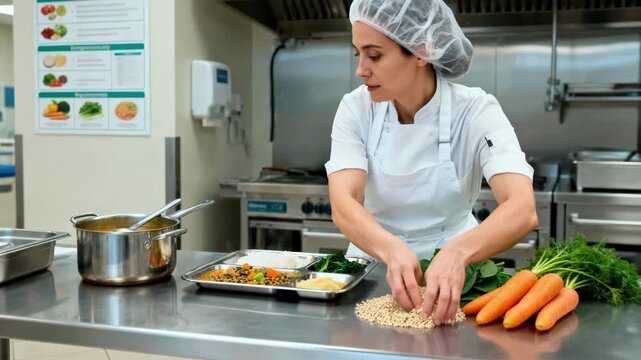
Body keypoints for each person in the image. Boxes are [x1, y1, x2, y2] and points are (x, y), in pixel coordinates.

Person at [325, 0, 538, 325]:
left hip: (456, 279)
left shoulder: (476, 111)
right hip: (371, 269)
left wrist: (457, 253)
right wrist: (391, 249)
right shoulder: (356, 108)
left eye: (375, 55)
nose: (361, 70)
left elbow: (522, 208)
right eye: (358, 54)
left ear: (421, 52)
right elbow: (343, 203)